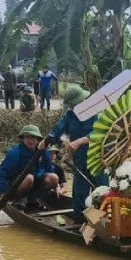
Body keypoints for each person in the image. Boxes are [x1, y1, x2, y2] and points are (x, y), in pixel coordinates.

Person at [41, 85, 105, 222]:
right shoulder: (70, 115)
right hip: (80, 161)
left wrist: (80, 141)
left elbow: (101, 132)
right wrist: (46, 140)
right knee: (79, 194)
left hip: (98, 160)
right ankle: (79, 222)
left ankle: (103, 223)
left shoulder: (96, 113)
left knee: (102, 192)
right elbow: (58, 129)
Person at [0, 125, 58, 201]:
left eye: (33, 137)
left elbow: (49, 170)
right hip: (16, 186)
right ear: (23, 138)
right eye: (27, 137)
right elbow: (3, 174)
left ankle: (34, 198)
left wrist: (56, 187)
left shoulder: (44, 152)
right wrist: (3, 192)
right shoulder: (14, 153)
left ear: (37, 139)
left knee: (54, 177)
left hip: (35, 185)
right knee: (29, 178)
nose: (31, 140)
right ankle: (19, 200)